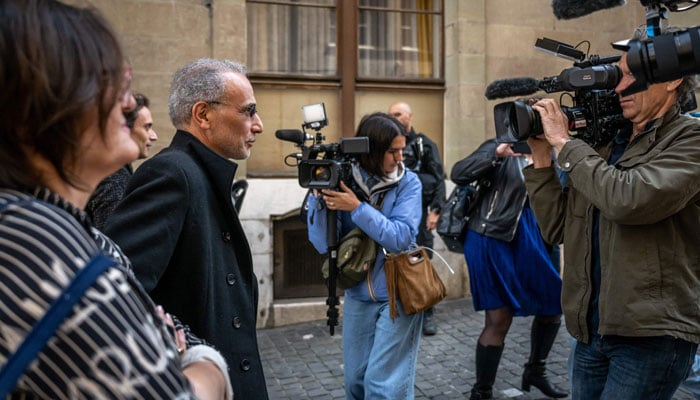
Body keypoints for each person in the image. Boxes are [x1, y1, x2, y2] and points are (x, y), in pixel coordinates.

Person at [0, 0, 229, 398]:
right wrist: (208, 364)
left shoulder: (68, 227)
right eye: (113, 84)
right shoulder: (33, 238)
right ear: (44, 101)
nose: (128, 105)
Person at [523, 25, 700, 400]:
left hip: (651, 335)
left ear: (672, 80)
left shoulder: (690, 140)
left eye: (631, 75)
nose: (619, 87)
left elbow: (629, 200)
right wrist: (541, 157)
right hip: (592, 330)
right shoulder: (606, 144)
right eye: (619, 76)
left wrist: (564, 143)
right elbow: (556, 228)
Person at [104, 58, 268, 399]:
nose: (258, 125)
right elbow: (119, 288)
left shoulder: (199, 172)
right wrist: (191, 359)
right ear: (203, 115)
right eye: (248, 111)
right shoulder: (172, 173)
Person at [306, 112, 423, 399]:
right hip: (358, 295)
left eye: (402, 150)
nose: (400, 158)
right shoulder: (344, 181)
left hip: (399, 293)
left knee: (382, 386)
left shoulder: (409, 183)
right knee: (355, 383)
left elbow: (400, 237)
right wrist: (319, 203)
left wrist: (357, 208)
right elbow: (323, 244)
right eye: (392, 151)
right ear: (370, 152)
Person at [451, 139, 567, 400]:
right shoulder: (501, 146)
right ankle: (482, 392)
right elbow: (458, 173)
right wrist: (496, 154)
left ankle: (535, 371)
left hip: (536, 237)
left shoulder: (552, 152)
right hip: (492, 236)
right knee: (498, 318)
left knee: (554, 305)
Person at [387, 101, 446, 336]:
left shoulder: (424, 144)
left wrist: (436, 211)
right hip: (394, 211)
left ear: (410, 116)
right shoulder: (385, 143)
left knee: (422, 259)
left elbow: (439, 177)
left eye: (399, 113)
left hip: (421, 212)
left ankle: (427, 311)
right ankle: (402, 307)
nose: (395, 117)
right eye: (391, 114)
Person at [86, 92, 158, 230]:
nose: (154, 136)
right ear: (123, 129)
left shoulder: (112, 171)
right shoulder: (114, 177)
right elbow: (116, 237)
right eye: (147, 127)